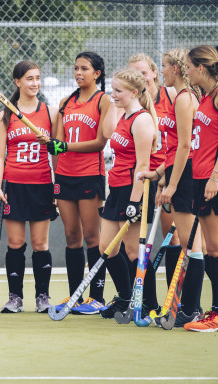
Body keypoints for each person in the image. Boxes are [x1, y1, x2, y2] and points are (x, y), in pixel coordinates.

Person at [40, 52, 114, 315]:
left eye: (85, 68)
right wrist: (53, 159)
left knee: (93, 237)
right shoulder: (66, 102)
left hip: (89, 176)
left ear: (97, 73)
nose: (79, 72)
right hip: (65, 178)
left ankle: (97, 297)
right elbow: (57, 147)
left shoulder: (103, 101)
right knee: (72, 237)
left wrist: (64, 145)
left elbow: (100, 143)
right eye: (76, 68)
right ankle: (75, 297)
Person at [141, 48, 205, 327]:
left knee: (193, 246)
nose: (162, 71)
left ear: (176, 69)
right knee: (192, 245)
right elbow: (173, 149)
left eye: (165, 66)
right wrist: (158, 174)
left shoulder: (182, 99)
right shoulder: (182, 97)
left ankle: (190, 310)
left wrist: (172, 184)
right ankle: (189, 308)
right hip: (180, 173)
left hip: (188, 175)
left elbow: (184, 146)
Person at [0, 60, 57, 313]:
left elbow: (57, 152)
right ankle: (15, 297)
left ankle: (43, 296)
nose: (35, 83)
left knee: (40, 244)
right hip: (14, 185)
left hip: (41, 184)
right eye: (29, 78)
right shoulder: (5, 115)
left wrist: (50, 142)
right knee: (16, 243)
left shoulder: (50, 113)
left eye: (37, 78)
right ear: (17, 82)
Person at [96, 69, 157, 318]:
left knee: (135, 252)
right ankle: (125, 297)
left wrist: (135, 202)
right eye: (112, 89)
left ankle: (151, 305)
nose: (113, 95)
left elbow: (143, 167)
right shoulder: (124, 116)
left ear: (134, 93)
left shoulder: (141, 120)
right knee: (107, 249)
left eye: (118, 91)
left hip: (134, 193)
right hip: (117, 190)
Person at [127, 53, 182, 288]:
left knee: (173, 236)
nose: (140, 78)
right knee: (137, 240)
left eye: (143, 73)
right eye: (134, 75)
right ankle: (143, 298)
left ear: (154, 73)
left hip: (167, 173)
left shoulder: (171, 96)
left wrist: (164, 176)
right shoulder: (132, 103)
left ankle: (174, 298)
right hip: (142, 176)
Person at [183, 45, 218, 332]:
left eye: (190, 66)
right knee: (209, 249)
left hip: (212, 181)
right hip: (200, 178)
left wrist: (215, 177)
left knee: (215, 249)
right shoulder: (205, 97)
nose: (187, 71)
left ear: (202, 68)